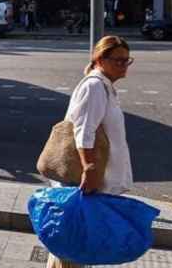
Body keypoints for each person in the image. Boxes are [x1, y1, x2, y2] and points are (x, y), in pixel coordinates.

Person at [47, 35, 135, 268]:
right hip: (83, 179)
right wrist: (90, 168)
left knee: (72, 246)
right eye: (118, 60)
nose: (124, 65)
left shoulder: (104, 86)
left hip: (91, 177)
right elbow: (83, 131)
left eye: (127, 60)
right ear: (99, 59)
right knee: (73, 246)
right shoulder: (95, 86)